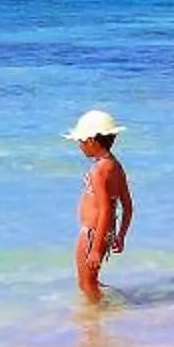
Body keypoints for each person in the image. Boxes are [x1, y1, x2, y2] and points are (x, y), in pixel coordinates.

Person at [65, 109, 133, 302]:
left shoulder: (98, 171)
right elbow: (127, 205)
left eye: (81, 141)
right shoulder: (115, 165)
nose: (79, 146)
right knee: (91, 280)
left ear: (92, 140)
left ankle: (97, 319)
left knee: (86, 283)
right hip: (106, 232)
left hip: (93, 233)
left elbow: (104, 209)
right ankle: (108, 305)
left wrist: (95, 248)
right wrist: (120, 235)